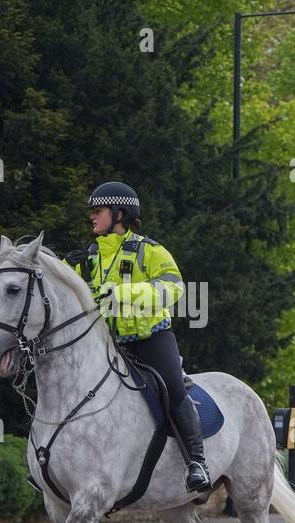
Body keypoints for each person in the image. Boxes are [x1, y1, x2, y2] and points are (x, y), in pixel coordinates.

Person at [63, 181, 209, 492]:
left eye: (98, 211)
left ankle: (197, 461)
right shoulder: (85, 259)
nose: (92, 216)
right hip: (105, 343)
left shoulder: (150, 251)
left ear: (119, 213)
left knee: (172, 386)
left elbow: (174, 288)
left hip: (150, 340)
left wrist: (122, 294)